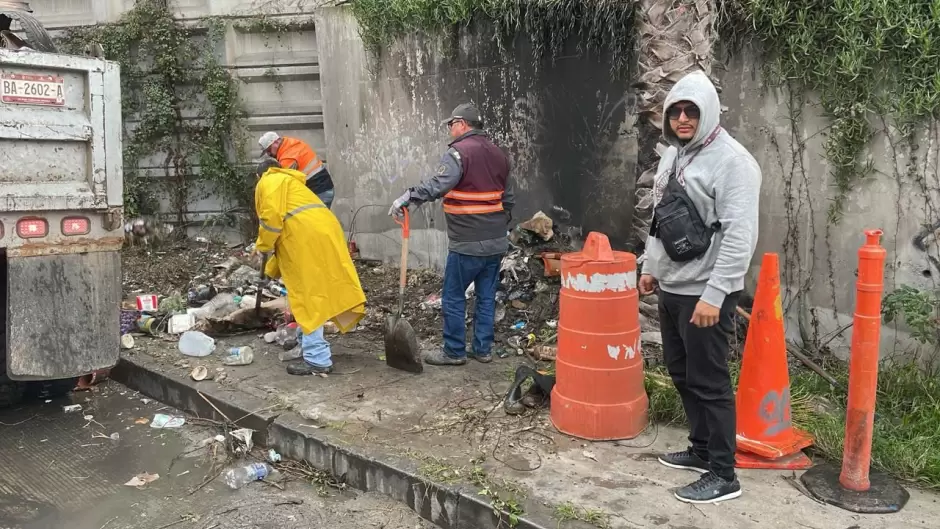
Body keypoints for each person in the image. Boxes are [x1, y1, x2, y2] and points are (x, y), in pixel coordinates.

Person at [638, 71, 761, 504]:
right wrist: (651, 267)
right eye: (676, 112)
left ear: (708, 113)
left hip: (706, 293)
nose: (683, 119)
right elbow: (660, 216)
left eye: (692, 111)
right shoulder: (674, 156)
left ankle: (724, 474)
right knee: (681, 372)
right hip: (672, 287)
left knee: (710, 382)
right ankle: (702, 448)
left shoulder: (733, 162)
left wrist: (715, 295)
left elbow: (739, 237)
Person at [388, 103, 515, 366]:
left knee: (454, 295)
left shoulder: (458, 153)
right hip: (495, 240)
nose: (449, 129)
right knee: (486, 296)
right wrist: (499, 226)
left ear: (462, 124)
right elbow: (509, 198)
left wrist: (409, 196)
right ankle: (483, 349)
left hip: (467, 241)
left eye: (451, 124)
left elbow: (439, 184)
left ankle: (454, 351)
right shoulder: (500, 154)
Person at [253, 158, 366, 375]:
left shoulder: (269, 181)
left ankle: (317, 358)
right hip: (324, 232)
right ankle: (306, 343)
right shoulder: (291, 184)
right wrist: (268, 273)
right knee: (320, 289)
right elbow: (283, 238)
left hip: (305, 238)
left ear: (260, 175)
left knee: (307, 296)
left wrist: (262, 246)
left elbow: (271, 222)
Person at [259, 132, 336, 209]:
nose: (268, 154)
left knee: (316, 219)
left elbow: (284, 186)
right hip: (324, 185)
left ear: (276, 142)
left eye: (269, 150)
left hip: (320, 190)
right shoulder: (291, 143)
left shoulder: (288, 157)